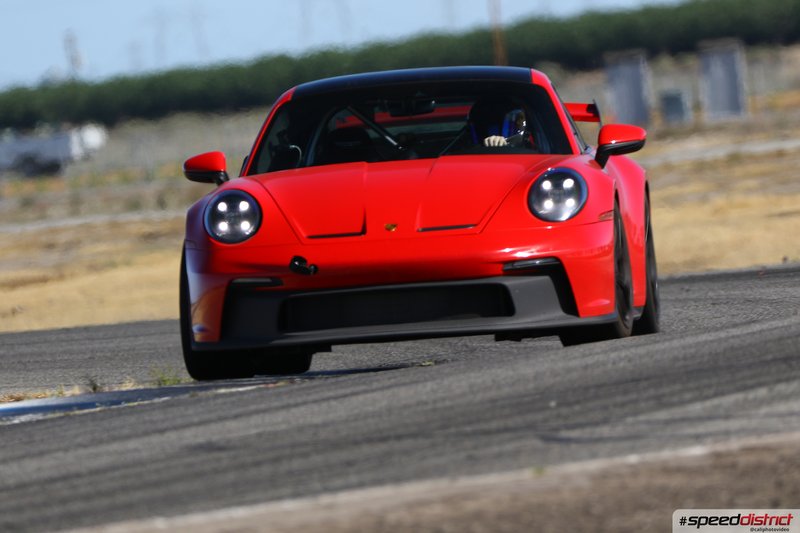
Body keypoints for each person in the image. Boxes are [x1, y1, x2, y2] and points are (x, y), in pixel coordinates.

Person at [468, 97, 533, 148]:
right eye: (517, 118)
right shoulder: (466, 146)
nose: (520, 122)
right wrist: (495, 143)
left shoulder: (532, 144)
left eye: (522, 118)